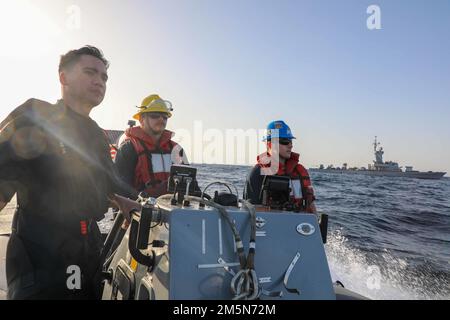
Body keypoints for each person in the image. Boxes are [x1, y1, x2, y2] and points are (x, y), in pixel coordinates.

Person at [0, 46, 140, 300]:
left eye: (104, 77)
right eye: (90, 72)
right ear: (63, 78)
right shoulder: (35, 117)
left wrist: (123, 202)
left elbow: (101, 184)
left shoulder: (96, 134)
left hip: (86, 248)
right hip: (40, 252)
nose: (99, 81)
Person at [114, 94, 188, 199]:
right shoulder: (129, 148)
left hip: (175, 211)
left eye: (165, 117)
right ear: (141, 119)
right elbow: (120, 191)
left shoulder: (176, 149)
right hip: (141, 212)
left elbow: (191, 185)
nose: (161, 119)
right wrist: (149, 195)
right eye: (155, 116)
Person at [243, 120, 317, 214]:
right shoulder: (258, 172)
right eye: (285, 141)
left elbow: (310, 205)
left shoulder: (299, 172)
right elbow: (249, 210)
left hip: (299, 225)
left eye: (290, 141)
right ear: (270, 144)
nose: (290, 145)